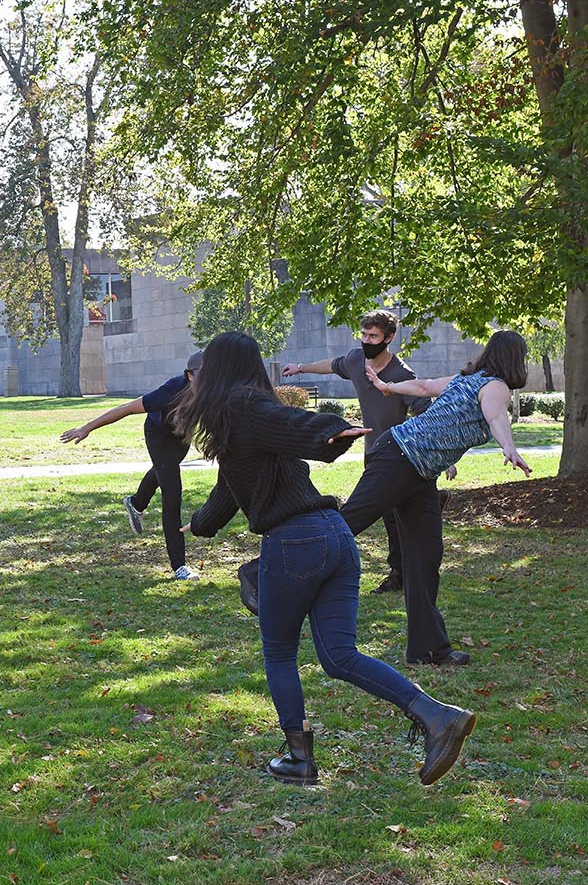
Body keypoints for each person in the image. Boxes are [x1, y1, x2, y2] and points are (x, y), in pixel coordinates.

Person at [178, 332, 475, 787]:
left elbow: (291, 422)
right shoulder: (241, 422)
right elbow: (229, 489)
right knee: (339, 656)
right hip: (337, 537)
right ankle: (436, 716)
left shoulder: (243, 408)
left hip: (296, 544)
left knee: (279, 652)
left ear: (216, 370)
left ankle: (300, 759)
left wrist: (328, 430)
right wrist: (199, 525)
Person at [338, 329, 532, 667]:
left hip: (419, 472)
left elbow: (424, 386)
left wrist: (389, 387)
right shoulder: (495, 387)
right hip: (399, 457)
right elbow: (495, 416)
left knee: (425, 557)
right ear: (515, 358)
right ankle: (267, 571)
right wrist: (509, 446)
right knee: (347, 523)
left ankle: (428, 650)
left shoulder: (468, 380)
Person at [280, 310, 450, 595]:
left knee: (383, 513)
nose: (367, 341)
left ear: (389, 338)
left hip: (400, 456)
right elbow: (332, 365)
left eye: (373, 336)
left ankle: (399, 573)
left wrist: (442, 455)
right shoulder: (356, 360)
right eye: (364, 335)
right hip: (374, 451)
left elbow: (425, 412)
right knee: (391, 515)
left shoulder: (401, 375)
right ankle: (423, 518)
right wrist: (300, 368)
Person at [61, 351, 203, 580]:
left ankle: (136, 503)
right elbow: (126, 408)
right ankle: (179, 566)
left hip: (180, 438)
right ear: (189, 376)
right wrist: (87, 427)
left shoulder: (216, 389)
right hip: (158, 435)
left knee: (164, 469)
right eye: (204, 376)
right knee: (172, 492)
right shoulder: (170, 391)